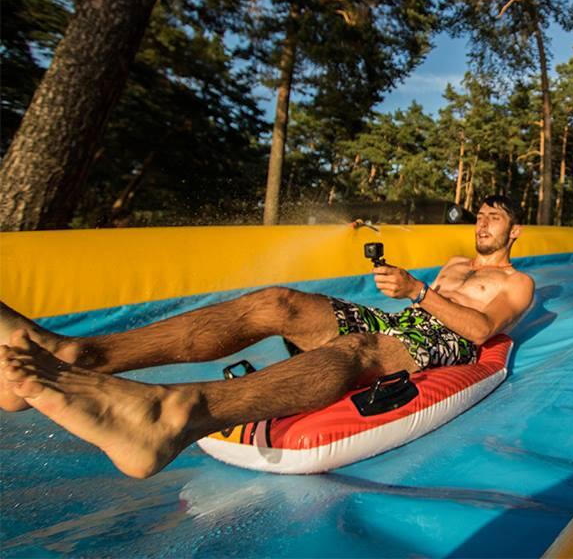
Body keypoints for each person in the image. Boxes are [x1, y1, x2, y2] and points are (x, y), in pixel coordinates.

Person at [0, 195, 535, 479]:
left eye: (495, 216)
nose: (483, 221)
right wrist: (405, 287)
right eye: (480, 214)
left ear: (514, 231)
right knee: (277, 302)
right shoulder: (454, 262)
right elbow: (416, 299)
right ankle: (82, 353)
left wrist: (417, 291)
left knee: (357, 350)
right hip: (402, 317)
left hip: (445, 337)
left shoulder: (517, 282)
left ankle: (173, 414)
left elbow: (480, 329)